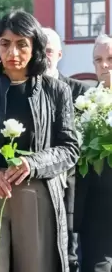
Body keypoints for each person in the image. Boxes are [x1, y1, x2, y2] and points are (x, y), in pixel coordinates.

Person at [0, 10, 79, 272]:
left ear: (35, 47)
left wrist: (32, 163)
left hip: (37, 195)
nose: (13, 52)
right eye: (5, 43)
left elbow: (69, 148)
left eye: (22, 44)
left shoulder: (55, 90)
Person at [42, 27, 90, 271]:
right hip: (36, 184)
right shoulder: (22, 90)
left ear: (59, 54)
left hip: (70, 185)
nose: (45, 56)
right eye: (40, 50)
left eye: (49, 50)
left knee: (68, 252)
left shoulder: (79, 92)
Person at [75, 34, 112, 272]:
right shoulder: (84, 104)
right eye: (98, 60)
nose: (104, 65)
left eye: (110, 58)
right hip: (96, 212)